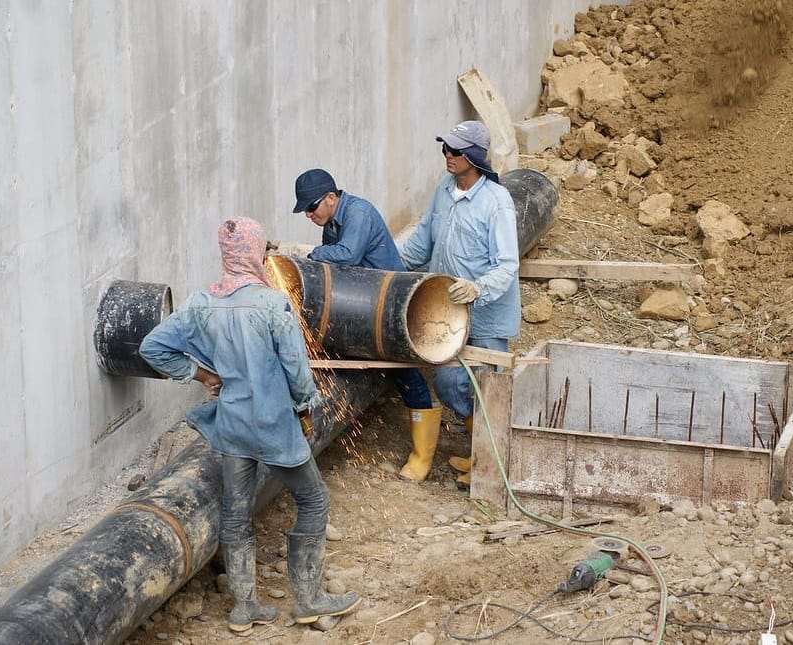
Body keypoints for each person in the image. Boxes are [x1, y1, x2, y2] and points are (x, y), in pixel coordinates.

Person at [139, 217, 361, 633]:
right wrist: (305, 407)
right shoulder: (272, 304)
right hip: (275, 423)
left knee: (235, 513)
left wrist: (203, 375)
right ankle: (310, 600)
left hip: (233, 424)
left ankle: (245, 610)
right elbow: (297, 370)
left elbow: (152, 347)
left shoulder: (202, 303)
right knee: (313, 501)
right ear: (255, 253)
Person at [292, 169, 443, 482]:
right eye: (305, 210)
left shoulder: (358, 213)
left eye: (311, 207)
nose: (308, 214)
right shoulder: (331, 222)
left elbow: (346, 256)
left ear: (331, 198)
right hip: (363, 303)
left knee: (406, 371)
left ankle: (422, 455)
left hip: (391, 305)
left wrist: (302, 252)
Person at [397, 121, 520, 487]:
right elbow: (422, 242)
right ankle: (478, 445)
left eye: (455, 151)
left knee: (489, 389)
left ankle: (490, 464)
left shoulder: (497, 202)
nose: (448, 157)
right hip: (447, 312)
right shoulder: (443, 191)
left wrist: (478, 288)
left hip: (487, 314)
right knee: (449, 382)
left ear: (475, 158)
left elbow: (508, 265)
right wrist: (387, 266)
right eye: (445, 150)